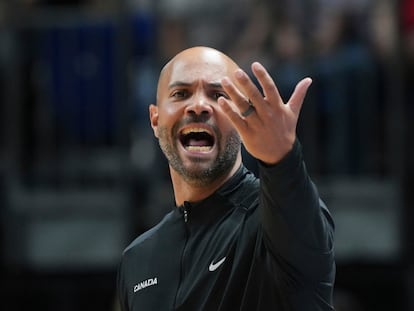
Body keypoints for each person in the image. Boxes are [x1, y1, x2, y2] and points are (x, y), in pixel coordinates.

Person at [117, 46, 335, 310]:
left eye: (218, 95)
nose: (198, 105)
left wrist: (283, 159)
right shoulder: (137, 259)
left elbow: (300, 218)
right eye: (180, 94)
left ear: (242, 117)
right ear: (155, 118)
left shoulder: (273, 222)